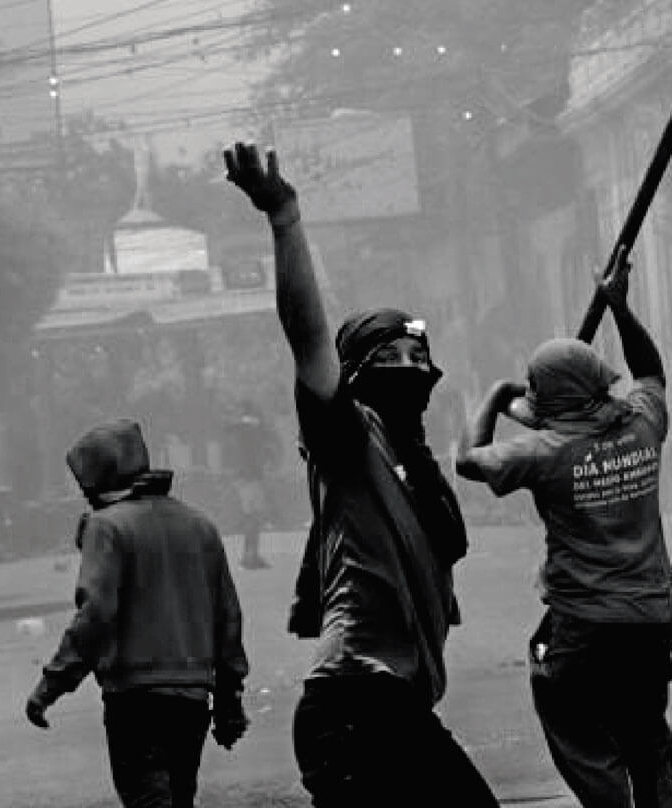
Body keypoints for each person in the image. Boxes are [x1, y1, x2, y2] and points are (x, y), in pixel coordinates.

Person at [223, 141, 498, 807]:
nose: (407, 367)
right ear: (352, 375)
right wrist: (285, 220)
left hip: (390, 705)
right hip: (355, 706)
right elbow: (307, 337)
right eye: (388, 355)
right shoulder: (349, 441)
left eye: (417, 355)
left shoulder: (420, 471)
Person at [454, 266, 672, 808]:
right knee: (647, 732)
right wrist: (620, 307)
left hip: (582, 627)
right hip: (651, 621)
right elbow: (650, 370)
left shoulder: (543, 453)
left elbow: (467, 460)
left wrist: (496, 394)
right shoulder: (643, 423)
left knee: (565, 707)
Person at [24, 418, 250, 808]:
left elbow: (96, 613)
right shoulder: (200, 525)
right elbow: (227, 618)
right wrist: (229, 701)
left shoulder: (106, 527)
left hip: (135, 699)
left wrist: (52, 684)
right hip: (192, 698)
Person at [224, 400, 274, 569]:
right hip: (250, 477)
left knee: (252, 517)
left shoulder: (241, 427)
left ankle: (250, 556)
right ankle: (250, 557)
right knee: (255, 517)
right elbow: (256, 427)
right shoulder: (250, 425)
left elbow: (230, 427)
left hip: (244, 476)